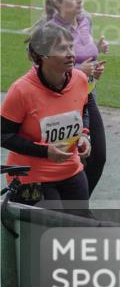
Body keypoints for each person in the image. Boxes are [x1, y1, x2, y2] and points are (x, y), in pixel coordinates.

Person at [1, 23, 92, 213]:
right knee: (45, 234)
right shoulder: (21, 90)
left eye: (71, 46)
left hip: (71, 170)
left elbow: (83, 108)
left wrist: (84, 134)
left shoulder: (80, 79)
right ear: (43, 55)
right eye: (61, 48)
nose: (71, 54)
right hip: (31, 178)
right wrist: (45, 151)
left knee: (80, 226)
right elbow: (3, 135)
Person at [44, 0, 108, 196]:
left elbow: (84, 55)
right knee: (66, 157)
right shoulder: (51, 30)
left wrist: (96, 61)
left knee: (98, 157)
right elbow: (44, 71)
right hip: (60, 101)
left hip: (87, 96)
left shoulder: (85, 19)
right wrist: (80, 71)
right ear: (57, 1)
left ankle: (78, 208)